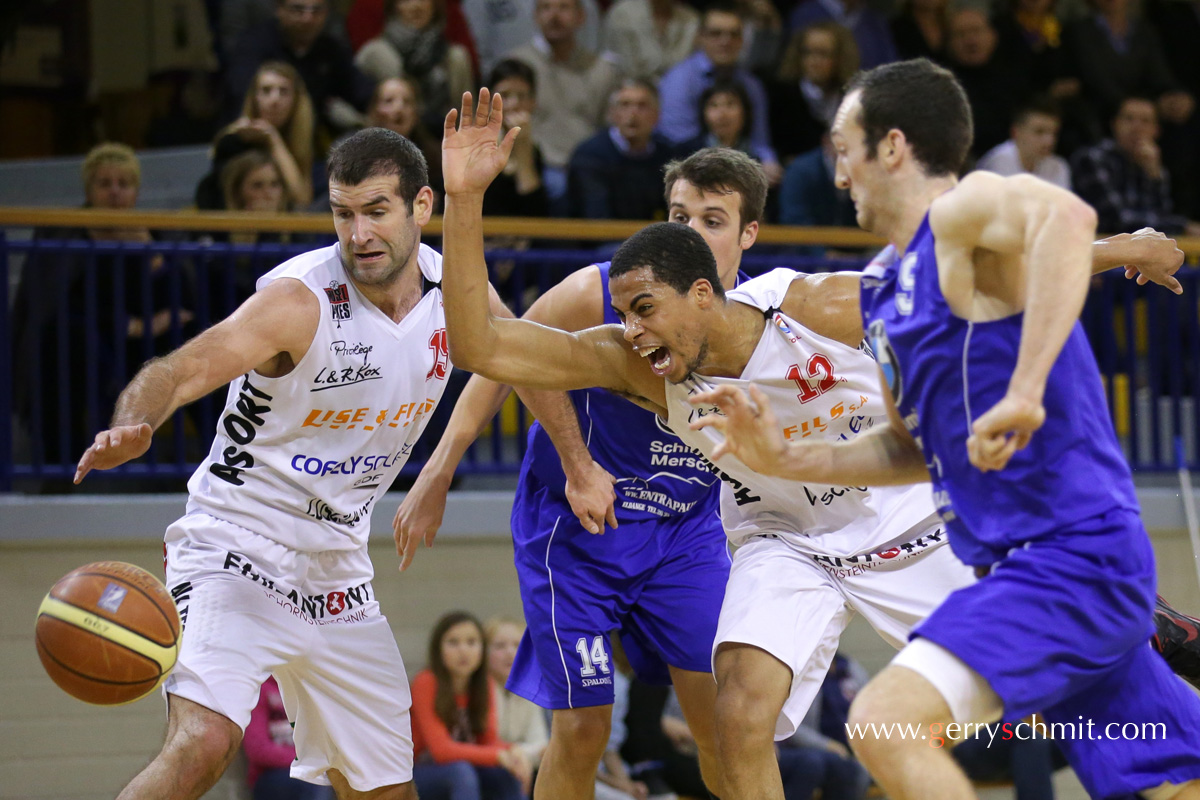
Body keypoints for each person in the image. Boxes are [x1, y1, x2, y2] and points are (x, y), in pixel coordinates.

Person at [434, 88, 1200, 800]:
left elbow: (987, 281)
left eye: (645, 311)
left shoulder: (808, 306)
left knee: (1058, 696)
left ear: (704, 292)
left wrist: (1126, 248)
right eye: (625, 314)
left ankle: (1146, 644)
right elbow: (481, 345)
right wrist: (465, 199)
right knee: (736, 715)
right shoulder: (633, 363)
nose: (632, 331)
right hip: (783, 540)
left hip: (896, 512)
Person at [683, 58, 1200, 800]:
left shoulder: (958, 213)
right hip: (1024, 565)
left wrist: (1026, 389)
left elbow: (1068, 219)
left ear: (892, 147)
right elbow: (908, 450)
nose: (837, 176)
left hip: (1071, 558)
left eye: (844, 149)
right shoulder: (893, 291)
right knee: (1170, 782)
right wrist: (787, 452)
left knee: (880, 721)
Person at [70, 127, 530, 800]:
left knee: (385, 794)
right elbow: (181, 367)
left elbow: (514, 363)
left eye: (376, 210)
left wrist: (444, 467)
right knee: (201, 745)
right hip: (235, 543)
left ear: (422, 207)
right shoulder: (299, 300)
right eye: (343, 213)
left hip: (338, 566)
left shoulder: (453, 292)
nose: (358, 232)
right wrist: (133, 422)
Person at [399, 144, 743, 800]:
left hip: (683, 537)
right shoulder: (601, 295)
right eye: (677, 214)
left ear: (747, 235)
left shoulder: (758, 323)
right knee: (584, 728)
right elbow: (502, 357)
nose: (689, 232)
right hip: (580, 532)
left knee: (725, 717)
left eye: (711, 219)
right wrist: (440, 468)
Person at [14, 143, 195, 471]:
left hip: (141, 347)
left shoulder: (154, 231)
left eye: (123, 184)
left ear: (136, 192)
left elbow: (182, 299)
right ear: (89, 190)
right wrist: (136, 325)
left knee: (193, 338)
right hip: (82, 342)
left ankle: (192, 468)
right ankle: (60, 469)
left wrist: (150, 253)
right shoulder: (60, 231)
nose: (114, 192)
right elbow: (54, 305)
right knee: (64, 341)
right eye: (105, 183)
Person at [657, 1, 782, 184]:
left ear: (742, 40)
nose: (725, 41)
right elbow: (679, 145)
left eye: (734, 34)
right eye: (716, 34)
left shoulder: (752, 85)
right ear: (700, 37)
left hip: (740, 165)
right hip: (691, 170)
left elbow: (759, 141)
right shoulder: (679, 80)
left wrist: (769, 162)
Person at [411, 612, 530, 800]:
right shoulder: (426, 682)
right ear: (438, 649)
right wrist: (499, 756)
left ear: (482, 649)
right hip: (418, 772)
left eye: (471, 642)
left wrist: (512, 751)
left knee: (506, 774)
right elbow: (441, 751)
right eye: (453, 642)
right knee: (461, 772)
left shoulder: (485, 684)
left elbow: (487, 741)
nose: (463, 650)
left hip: (461, 770)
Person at [1071, 96, 1200, 236]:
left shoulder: (1151, 161)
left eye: (1145, 121)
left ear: (1156, 130)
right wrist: (1182, 227)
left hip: (1141, 249)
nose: (1136, 127)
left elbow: (1161, 215)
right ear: (1114, 124)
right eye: (1129, 119)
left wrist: (1154, 175)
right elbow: (1115, 221)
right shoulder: (1092, 159)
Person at [198, 61, 315, 209]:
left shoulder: (299, 140)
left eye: (284, 91)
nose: (275, 100)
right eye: (266, 91)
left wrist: (273, 139)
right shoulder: (233, 140)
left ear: (296, 99)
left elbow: (303, 199)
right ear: (254, 98)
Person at [354, 0, 474, 132]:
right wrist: (361, 122)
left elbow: (468, 115)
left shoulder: (454, 57)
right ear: (393, 7)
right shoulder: (374, 54)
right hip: (387, 140)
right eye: (406, 0)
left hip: (444, 142)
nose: (416, 5)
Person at [567, 79, 676, 221]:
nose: (633, 113)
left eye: (642, 106)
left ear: (657, 115)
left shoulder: (667, 156)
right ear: (612, 113)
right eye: (625, 105)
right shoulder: (589, 156)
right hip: (601, 239)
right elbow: (597, 216)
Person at [244, 677, 337, 800]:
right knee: (315, 783)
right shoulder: (261, 690)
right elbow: (258, 750)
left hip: (314, 768)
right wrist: (307, 759)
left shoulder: (313, 688)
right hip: (275, 774)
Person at [485, 617, 550, 770]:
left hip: (520, 765)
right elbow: (481, 744)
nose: (510, 653)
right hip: (486, 767)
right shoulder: (478, 689)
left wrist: (518, 753)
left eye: (518, 645)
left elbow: (540, 745)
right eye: (500, 646)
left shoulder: (531, 688)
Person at [975, 99, 1070, 189]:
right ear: (1015, 133)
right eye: (1039, 132)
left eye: (1054, 133)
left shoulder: (1058, 166)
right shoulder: (998, 161)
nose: (1049, 141)